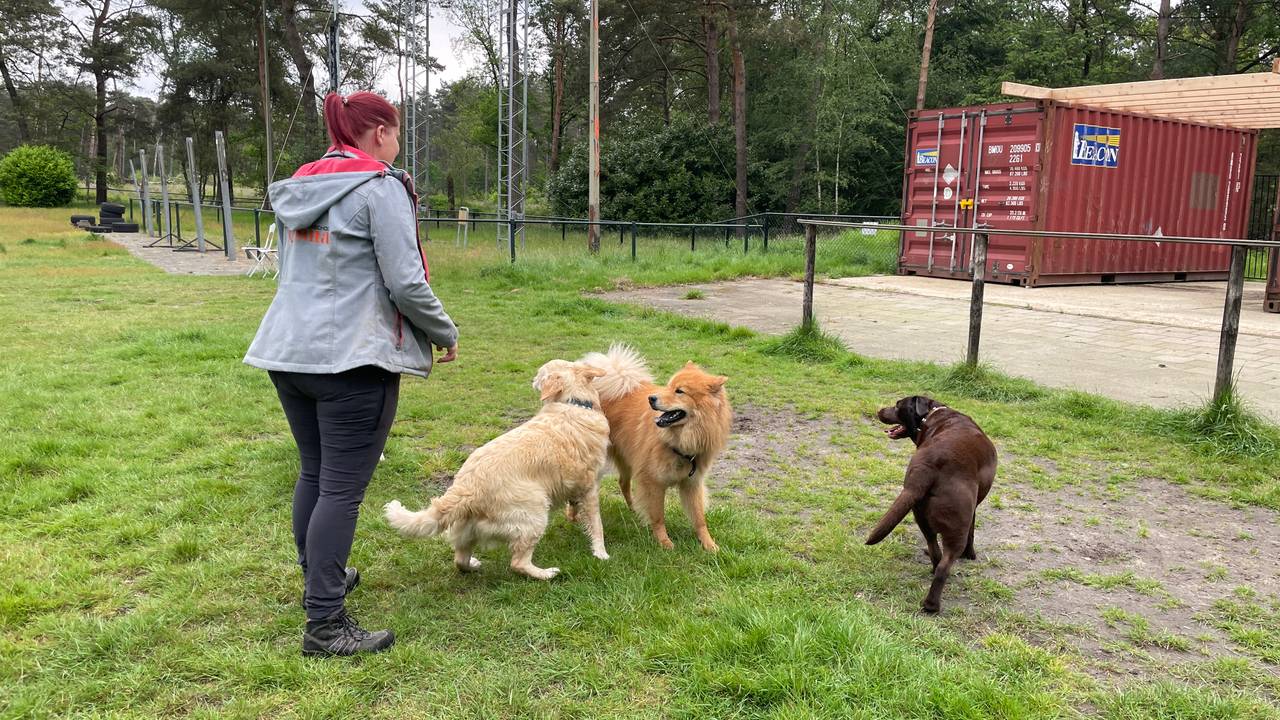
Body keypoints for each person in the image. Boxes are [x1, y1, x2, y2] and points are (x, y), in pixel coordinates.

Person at [244, 91, 458, 658]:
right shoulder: (378, 187)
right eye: (396, 131)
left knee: (315, 474)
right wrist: (445, 332)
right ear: (380, 131)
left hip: (288, 353)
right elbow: (406, 282)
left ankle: (322, 580)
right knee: (340, 488)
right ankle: (325, 625)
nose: (396, 143)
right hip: (351, 359)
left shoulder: (302, 185)